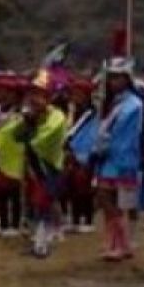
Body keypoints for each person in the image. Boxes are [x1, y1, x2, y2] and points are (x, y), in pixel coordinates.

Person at [0, 69, 69, 258]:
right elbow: (14, 135)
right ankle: (40, 237)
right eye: (32, 94)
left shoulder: (57, 116)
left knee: (43, 201)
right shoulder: (25, 115)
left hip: (49, 165)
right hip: (31, 165)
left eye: (39, 94)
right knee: (33, 203)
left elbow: (43, 139)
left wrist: (30, 126)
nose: (34, 98)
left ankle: (43, 242)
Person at [94, 56, 144, 262]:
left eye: (118, 78)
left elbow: (128, 136)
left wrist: (108, 149)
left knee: (118, 204)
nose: (114, 82)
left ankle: (123, 244)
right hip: (108, 159)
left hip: (122, 159)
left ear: (127, 79)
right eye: (111, 78)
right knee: (106, 201)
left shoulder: (134, 105)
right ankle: (115, 243)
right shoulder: (112, 103)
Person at [63, 77, 98, 234]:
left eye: (79, 93)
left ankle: (88, 220)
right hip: (71, 152)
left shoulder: (92, 113)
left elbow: (93, 133)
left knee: (85, 189)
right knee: (71, 188)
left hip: (86, 154)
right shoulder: (72, 112)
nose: (75, 97)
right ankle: (74, 219)